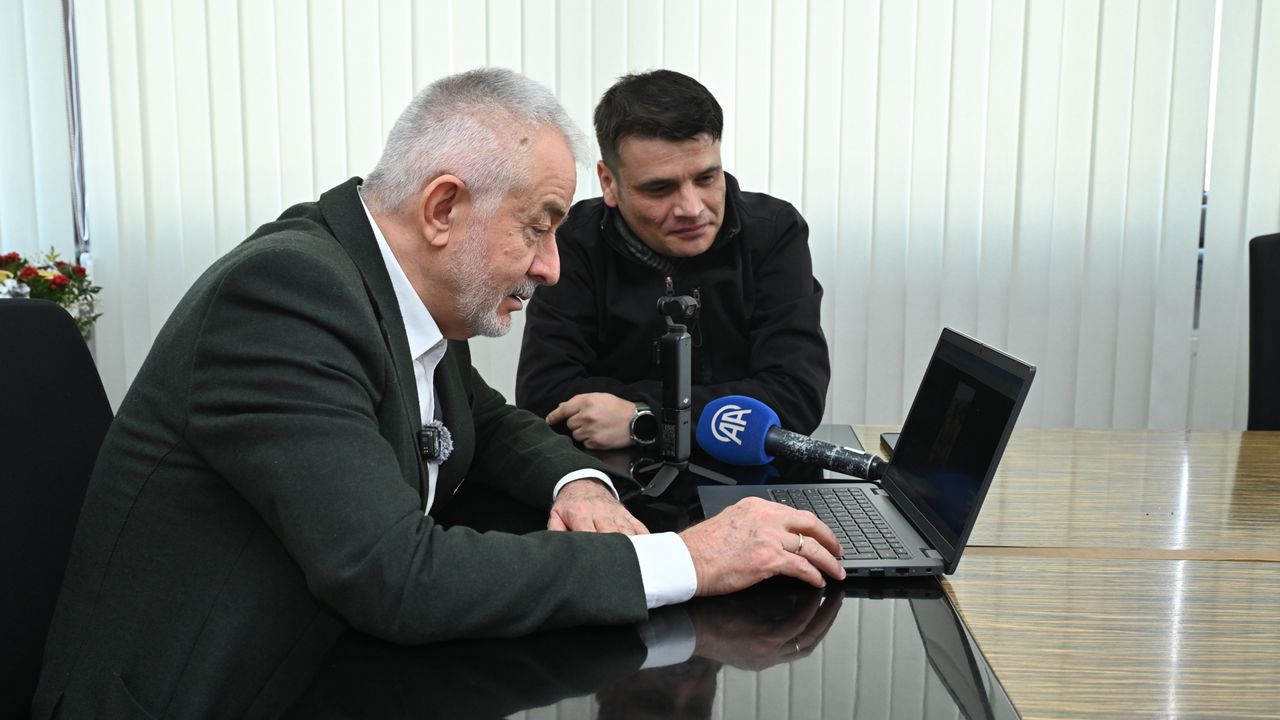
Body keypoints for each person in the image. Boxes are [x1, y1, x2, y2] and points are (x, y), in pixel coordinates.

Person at [33, 68, 843, 718]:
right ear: (444, 208)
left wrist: (580, 481)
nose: (551, 266)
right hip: (215, 694)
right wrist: (687, 557)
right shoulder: (286, 296)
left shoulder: (386, 287)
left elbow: (485, 419)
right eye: (539, 225)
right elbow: (395, 576)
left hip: (325, 668)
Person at [515, 69, 830, 450]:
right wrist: (720, 408)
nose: (692, 208)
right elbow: (545, 397)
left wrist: (643, 417)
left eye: (706, 178)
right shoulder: (573, 241)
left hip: (752, 475)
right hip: (610, 475)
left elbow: (796, 397)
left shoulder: (774, 231)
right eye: (660, 188)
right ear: (609, 182)